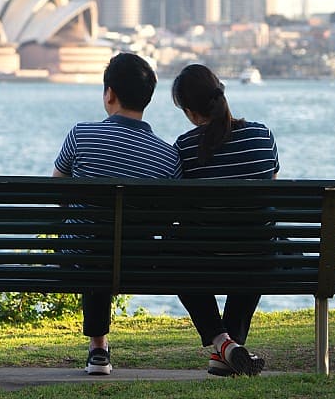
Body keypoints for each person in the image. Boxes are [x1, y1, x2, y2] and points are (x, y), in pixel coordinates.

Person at [53, 52, 181, 375]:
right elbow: (169, 218)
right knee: (110, 239)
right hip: (138, 260)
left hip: (79, 255)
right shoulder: (168, 157)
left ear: (109, 94)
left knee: (93, 237)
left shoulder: (80, 135)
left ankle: (98, 348)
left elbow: (57, 191)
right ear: (147, 99)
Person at [171, 63, 279, 377]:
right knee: (259, 240)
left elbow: (179, 210)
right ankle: (229, 350)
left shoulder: (185, 148)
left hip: (206, 260)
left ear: (190, 112)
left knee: (171, 254)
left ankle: (223, 342)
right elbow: (269, 190)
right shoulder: (262, 136)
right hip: (258, 259)